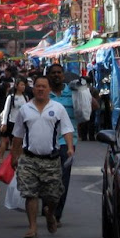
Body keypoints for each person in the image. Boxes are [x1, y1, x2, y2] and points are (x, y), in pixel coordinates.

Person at [11, 75, 74, 238]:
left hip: (51, 160)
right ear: (33, 89)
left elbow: (67, 129)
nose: (40, 89)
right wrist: (14, 156)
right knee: (30, 193)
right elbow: (17, 135)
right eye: (37, 86)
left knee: (54, 195)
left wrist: (69, 148)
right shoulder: (25, 109)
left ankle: (50, 213)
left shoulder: (58, 108)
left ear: (49, 89)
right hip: (29, 159)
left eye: (43, 86)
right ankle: (32, 227)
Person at [46, 63, 78, 226]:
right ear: (48, 76)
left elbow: (91, 107)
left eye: (59, 72)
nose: (56, 75)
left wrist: (84, 91)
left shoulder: (73, 92)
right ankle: (48, 205)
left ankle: (56, 214)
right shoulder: (44, 94)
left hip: (68, 141)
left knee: (63, 179)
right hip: (47, 141)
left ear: (63, 75)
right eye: (53, 73)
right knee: (47, 177)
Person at [0, 78, 29, 161]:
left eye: (24, 85)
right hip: (11, 122)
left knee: (19, 143)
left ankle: (18, 158)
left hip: (21, 123)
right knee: (6, 141)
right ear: (16, 86)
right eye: (21, 85)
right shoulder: (11, 97)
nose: (23, 87)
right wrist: (4, 123)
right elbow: (6, 110)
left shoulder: (25, 97)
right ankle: (1, 158)